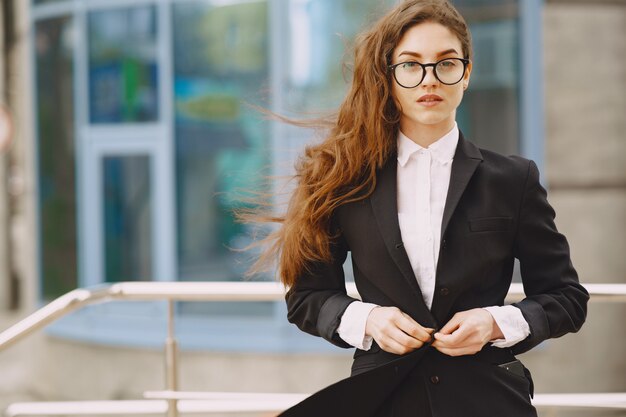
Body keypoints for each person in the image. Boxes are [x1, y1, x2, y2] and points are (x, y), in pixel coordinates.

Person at [249, 1, 589, 416]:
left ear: (467, 74)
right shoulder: (345, 179)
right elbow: (306, 298)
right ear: (389, 79)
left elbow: (566, 298)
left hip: (488, 400)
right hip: (384, 400)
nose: (429, 79)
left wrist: (496, 323)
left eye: (446, 63)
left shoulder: (513, 179)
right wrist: (368, 319)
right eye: (410, 65)